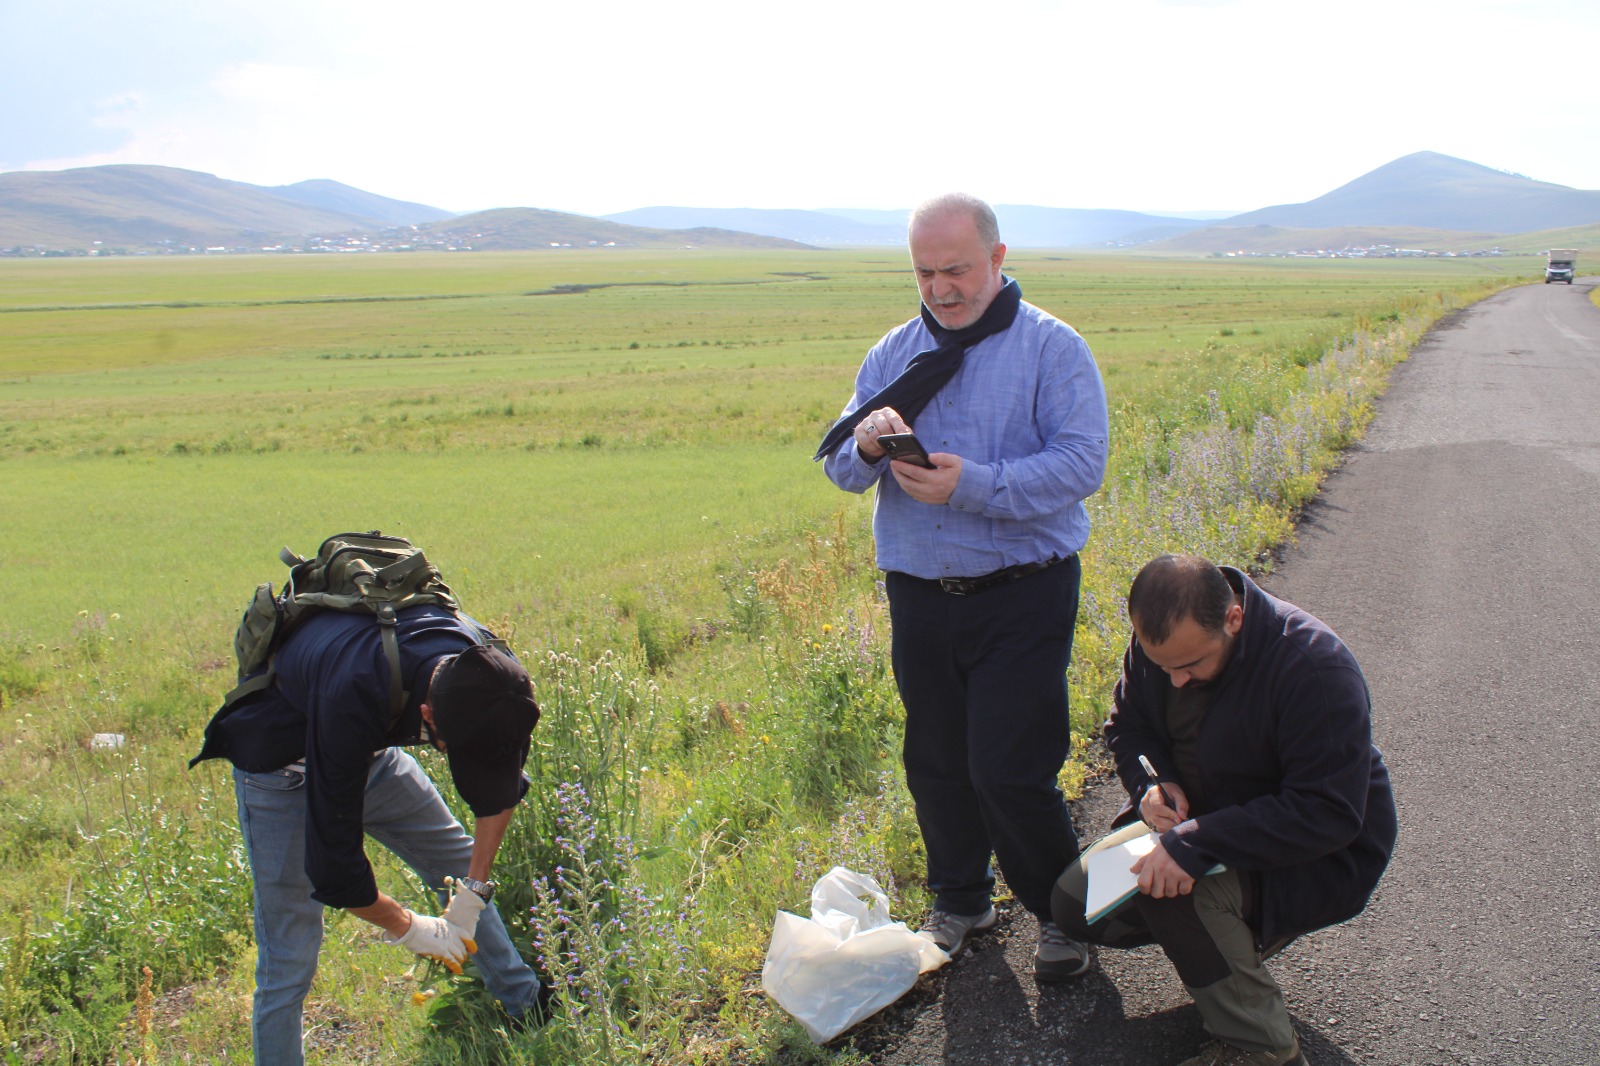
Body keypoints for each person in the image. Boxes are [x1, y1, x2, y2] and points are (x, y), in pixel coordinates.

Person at [817, 192, 1110, 981]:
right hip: (919, 595)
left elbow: (1084, 462)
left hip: (1024, 590)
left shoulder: (1053, 348)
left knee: (1011, 767)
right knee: (938, 760)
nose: (941, 287)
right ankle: (962, 899)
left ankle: (1062, 913)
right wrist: (872, 447)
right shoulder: (892, 354)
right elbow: (840, 466)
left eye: (956, 269)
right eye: (924, 271)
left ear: (998, 258)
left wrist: (972, 484)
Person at [1052, 555, 1398, 1066]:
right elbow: (1128, 725)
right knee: (1074, 902)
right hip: (1211, 826)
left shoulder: (1314, 667)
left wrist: (1195, 843)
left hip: (1313, 855)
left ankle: (1261, 1046)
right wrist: (1153, 782)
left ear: (1233, 619)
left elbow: (1328, 812)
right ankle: (1226, 948)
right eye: (1164, 666)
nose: (1175, 680)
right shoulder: (1167, 642)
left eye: (1190, 667)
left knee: (1172, 890)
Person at [191, 603, 545, 1064]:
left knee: (455, 860)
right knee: (290, 953)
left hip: (373, 754)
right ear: (426, 713)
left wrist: (471, 894)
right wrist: (413, 929)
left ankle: (529, 1005)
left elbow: (501, 790)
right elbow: (333, 869)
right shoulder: (352, 694)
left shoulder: (495, 678)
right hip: (282, 773)